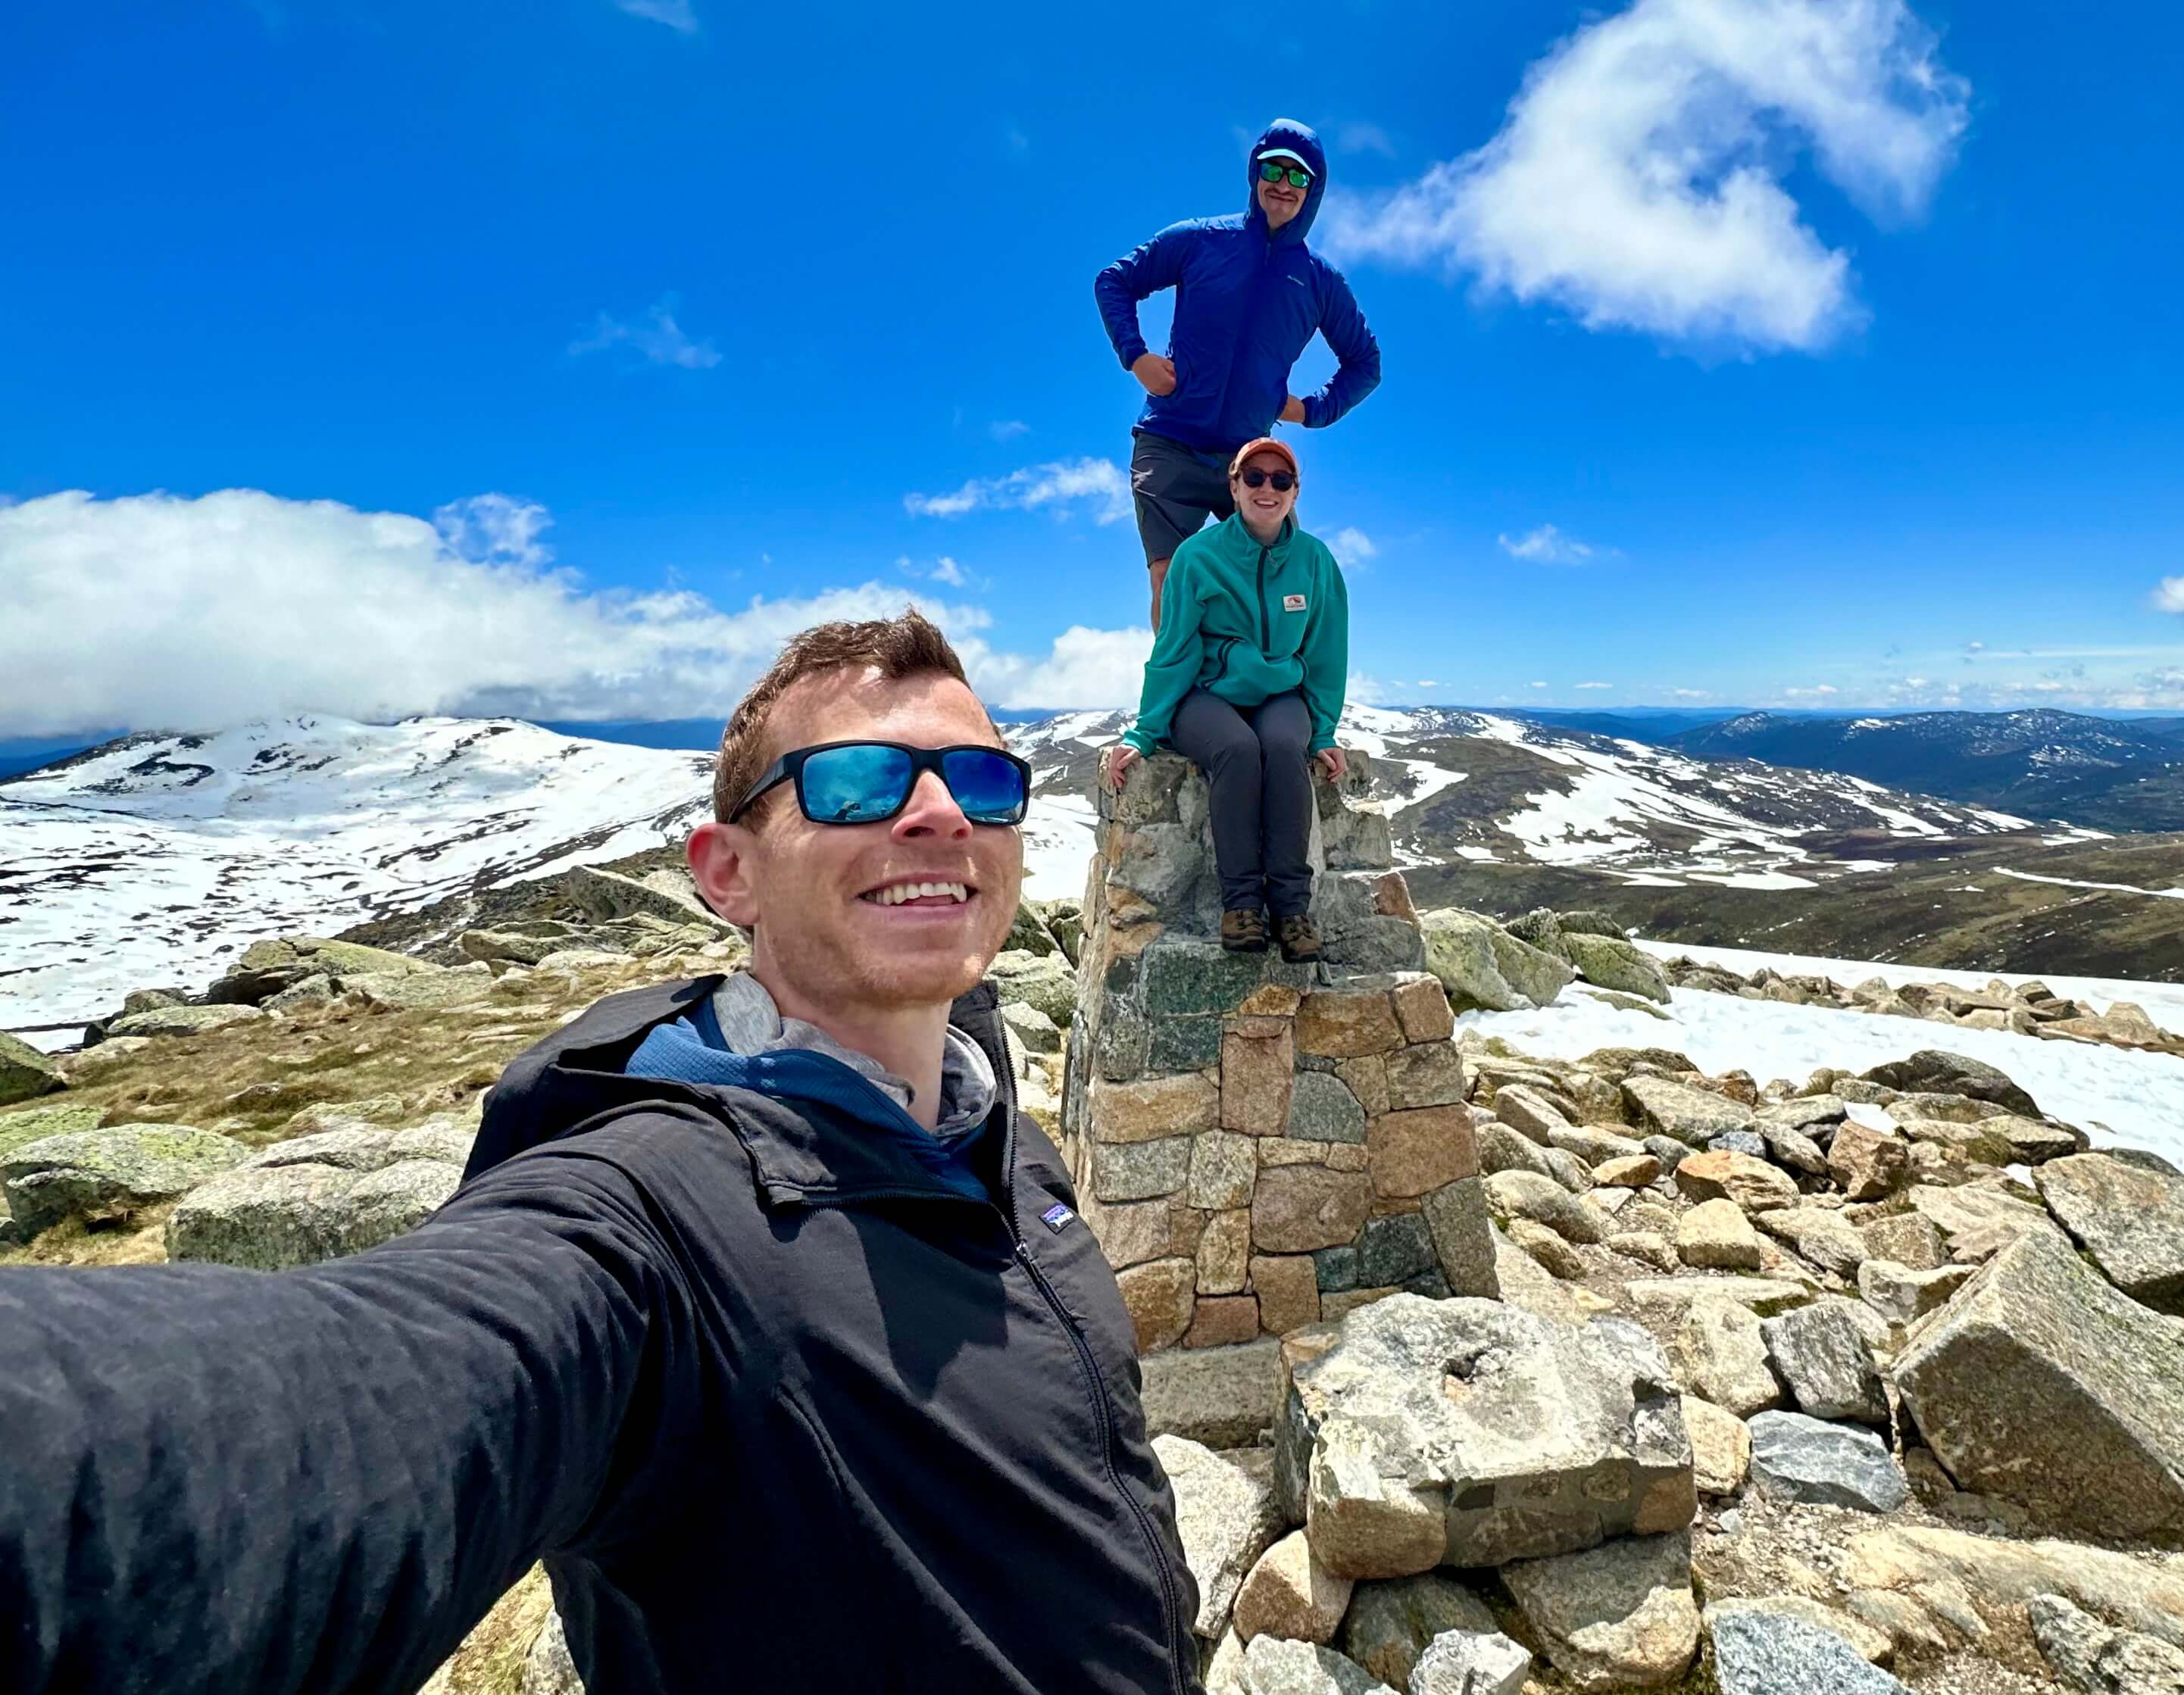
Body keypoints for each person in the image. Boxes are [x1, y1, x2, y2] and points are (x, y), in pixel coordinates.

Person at [0, 612, 1201, 1695]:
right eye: (856, 780)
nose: (940, 812)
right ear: (726, 873)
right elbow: (356, 1398)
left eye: (983, 780)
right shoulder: (650, 1223)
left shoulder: (999, 1131)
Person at [1095, 117, 1381, 629]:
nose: (1284, 185)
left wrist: (1309, 409)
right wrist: (1136, 358)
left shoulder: (1319, 282)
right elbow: (1115, 281)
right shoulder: (1201, 240)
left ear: (1313, 191)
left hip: (1249, 463)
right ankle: (1177, 703)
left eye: (1299, 178)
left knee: (1279, 582)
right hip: (1168, 442)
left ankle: (1265, 698)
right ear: (1255, 172)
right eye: (1274, 169)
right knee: (1173, 581)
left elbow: (1365, 364)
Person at [1103, 437, 1348, 963]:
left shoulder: (1315, 560)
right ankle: (1241, 906)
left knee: (1284, 748)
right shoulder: (1198, 556)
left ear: (1295, 492)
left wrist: (1323, 731)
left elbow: (1328, 649)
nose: (1268, 488)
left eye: (1281, 480)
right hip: (1206, 692)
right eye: (1254, 477)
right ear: (1233, 487)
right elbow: (1174, 648)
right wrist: (1144, 732)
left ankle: (1291, 908)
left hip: (1281, 692)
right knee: (1237, 750)